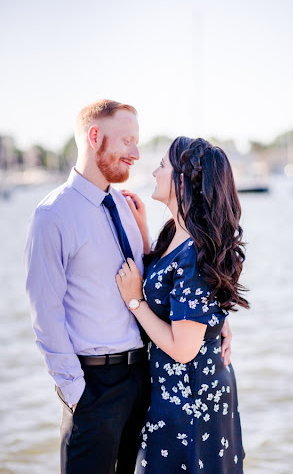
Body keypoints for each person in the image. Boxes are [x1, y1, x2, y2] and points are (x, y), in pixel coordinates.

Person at [23, 100, 232, 474]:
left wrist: (214, 321)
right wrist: (76, 393)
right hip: (94, 386)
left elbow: (168, 280)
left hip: (145, 380)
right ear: (94, 137)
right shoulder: (53, 215)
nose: (137, 154)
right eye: (128, 141)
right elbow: (45, 313)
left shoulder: (126, 206)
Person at [115, 136, 247, 473]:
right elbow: (175, 294)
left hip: (190, 402)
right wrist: (143, 233)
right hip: (178, 395)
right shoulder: (176, 232)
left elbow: (183, 348)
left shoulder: (193, 254)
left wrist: (134, 301)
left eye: (162, 165)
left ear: (182, 180)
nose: (155, 171)